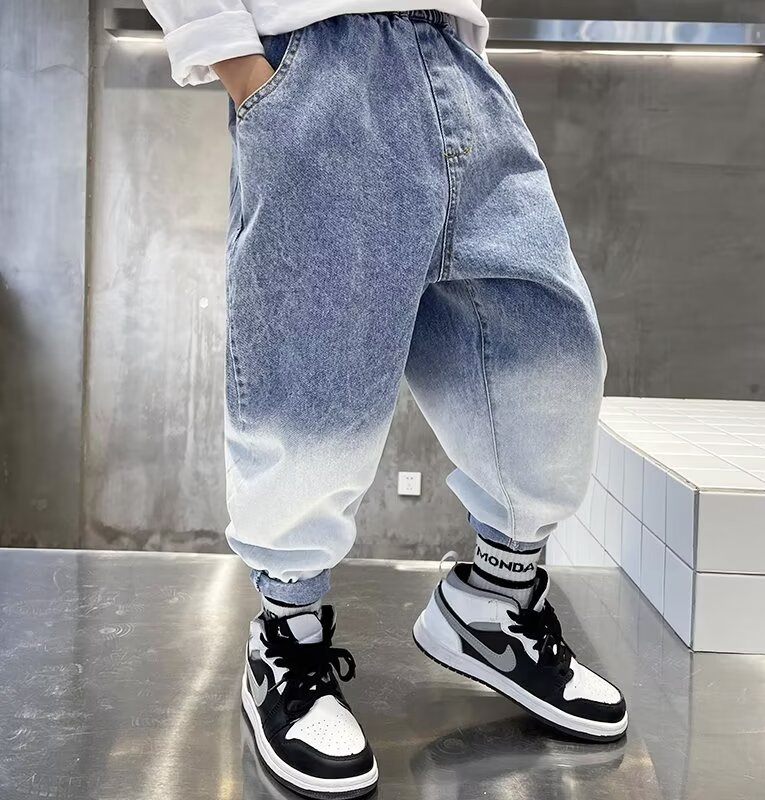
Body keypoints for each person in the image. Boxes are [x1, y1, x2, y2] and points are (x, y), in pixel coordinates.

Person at [142, 2, 628, 796]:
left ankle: (495, 604)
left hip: (454, 65)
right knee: (311, 382)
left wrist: (464, 46)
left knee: (552, 357)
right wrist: (239, 64)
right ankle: (286, 638)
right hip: (315, 63)